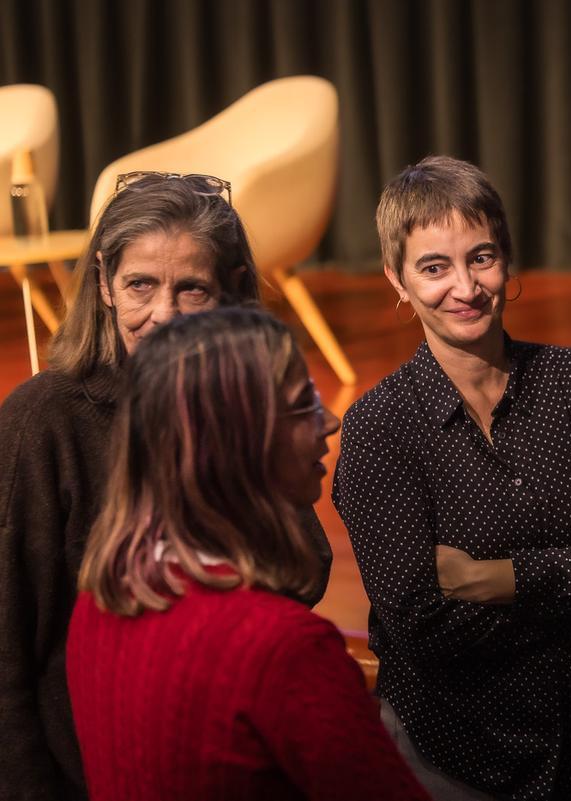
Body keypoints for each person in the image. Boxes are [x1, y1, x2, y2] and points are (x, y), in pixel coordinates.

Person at [334, 155, 571, 800]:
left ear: (507, 259)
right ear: (397, 281)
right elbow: (422, 629)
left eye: (481, 257)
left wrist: (500, 579)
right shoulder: (380, 427)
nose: (465, 287)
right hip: (462, 761)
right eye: (434, 268)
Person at [0, 173, 331, 801]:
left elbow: (306, 569)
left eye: (192, 290)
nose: (166, 316)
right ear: (103, 283)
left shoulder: (238, 404)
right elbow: (6, 649)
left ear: (233, 291)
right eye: (140, 286)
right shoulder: (43, 420)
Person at [66, 307, 428, 801]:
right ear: (237, 444)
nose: (330, 420)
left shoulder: (101, 599)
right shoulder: (284, 649)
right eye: (304, 406)